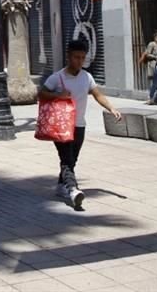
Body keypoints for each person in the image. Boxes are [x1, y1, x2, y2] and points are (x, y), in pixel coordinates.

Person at [39, 40, 122, 209]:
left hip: (79, 125)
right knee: (66, 158)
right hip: (61, 126)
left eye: (83, 58)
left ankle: (61, 186)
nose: (80, 61)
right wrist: (58, 95)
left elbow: (97, 94)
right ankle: (73, 190)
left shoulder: (87, 77)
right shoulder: (58, 77)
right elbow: (41, 94)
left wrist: (111, 108)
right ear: (69, 56)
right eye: (76, 57)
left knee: (72, 159)